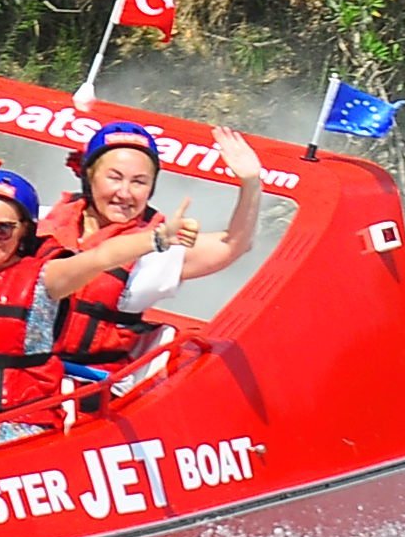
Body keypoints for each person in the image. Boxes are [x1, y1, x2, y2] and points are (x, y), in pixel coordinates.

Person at [0, 168, 215, 421]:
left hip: (24, 421)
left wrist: (157, 238)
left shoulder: (48, 278)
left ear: (25, 230)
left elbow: (101, 257)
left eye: (2, 229)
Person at [47, 122, 265, 369]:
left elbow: (234, 244)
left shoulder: (160, 251)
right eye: (114, 178)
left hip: (89, 378)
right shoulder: (38, 224)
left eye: (139, 182)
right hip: (24, 368)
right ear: (89, 175)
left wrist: (251, 183)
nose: (125, 193)